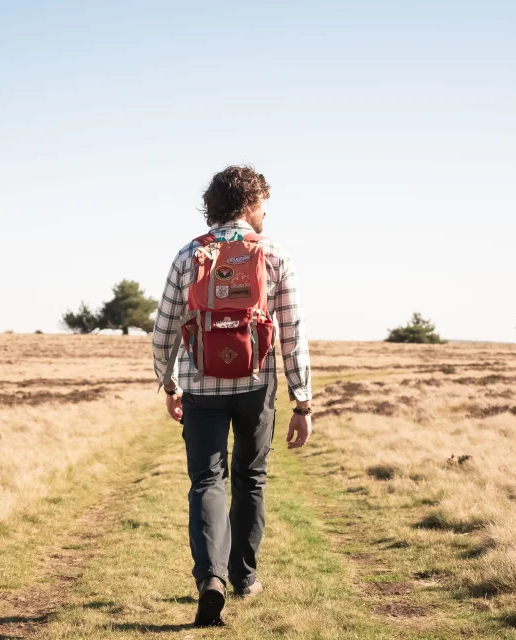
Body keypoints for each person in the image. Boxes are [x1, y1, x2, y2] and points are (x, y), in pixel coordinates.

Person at [152, 165, 312, 627]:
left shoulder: (189, 255)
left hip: (201, 384)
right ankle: (244, 577)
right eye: (263, 203)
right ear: (247, 203)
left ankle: (211, 581)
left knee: (207, 480)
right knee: (250, 477)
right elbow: (293, 334)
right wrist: (302, 401)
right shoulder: (275, 254)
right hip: (257, 383)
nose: (266, 213)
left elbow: (164, 328)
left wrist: (168, 382)